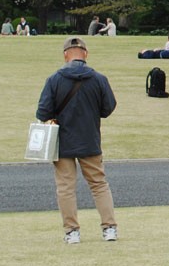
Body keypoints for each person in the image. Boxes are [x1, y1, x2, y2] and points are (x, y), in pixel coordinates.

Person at [35, 36, 118, 244]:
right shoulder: (99, 79)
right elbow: (108, 108)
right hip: (90, 139)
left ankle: (72, 232)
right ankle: (109, 229)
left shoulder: (54, 79)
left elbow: (43, 112)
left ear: (65, 55)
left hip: (62, 143)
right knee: (99, 185)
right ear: (86, 55)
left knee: (65, 188)